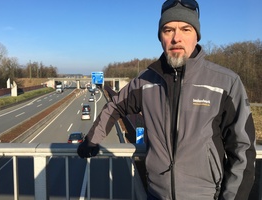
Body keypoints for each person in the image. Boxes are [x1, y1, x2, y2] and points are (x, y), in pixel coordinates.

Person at [77, 0, 256, 199]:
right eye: (168, 30)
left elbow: (242, 148)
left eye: (186, 29)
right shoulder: (146, 81)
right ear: (160, 37)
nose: (176, 38)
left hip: (206, 195)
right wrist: (92, 140)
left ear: (196, 35)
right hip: (156, 193)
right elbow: (114, 106)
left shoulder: (226, 82)